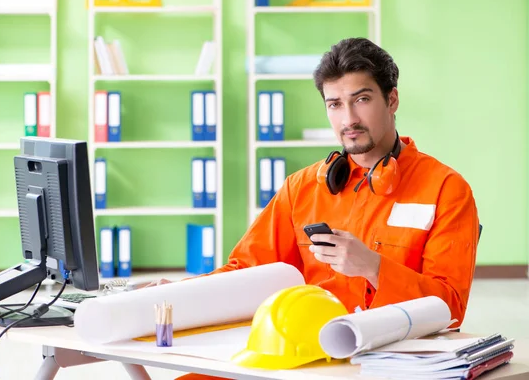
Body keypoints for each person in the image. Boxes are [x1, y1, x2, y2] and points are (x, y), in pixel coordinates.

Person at [164, 37, 480, 380]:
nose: (349, 119)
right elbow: (246, 269)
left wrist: (373, 267)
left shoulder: (446, 189)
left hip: (386, 359)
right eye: (335, 104)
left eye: (361, 99)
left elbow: (449, 308)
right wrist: (180, 293)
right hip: (303, 354)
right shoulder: (301, 188)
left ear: (392, 99)